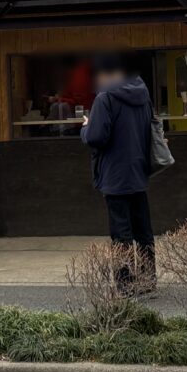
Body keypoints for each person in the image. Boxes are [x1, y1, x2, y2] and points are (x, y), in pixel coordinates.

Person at [80, 55, 156, 291]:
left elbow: (96, 138)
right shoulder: (143, 94)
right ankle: (148, 279)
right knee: (143, 231)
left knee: (121, 233)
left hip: (114, 174)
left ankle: (125, 283)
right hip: (139, 171)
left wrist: (85, 127)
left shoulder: (105, 98)